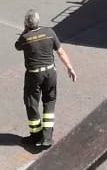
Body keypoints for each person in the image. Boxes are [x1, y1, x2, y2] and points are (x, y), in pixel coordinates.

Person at [14, 9, 76, 149]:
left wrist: (25, 31)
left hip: (34, 75)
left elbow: (17, 47)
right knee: (49, 101)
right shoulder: (49, 32)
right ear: (38, 21)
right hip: (50, 73)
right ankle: (47, 138)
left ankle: (36, 135)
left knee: (31, 103)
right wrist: (69, 67)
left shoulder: (25, 38)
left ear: (26, 24)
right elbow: (60, 51)